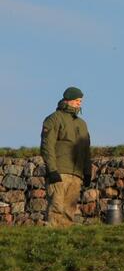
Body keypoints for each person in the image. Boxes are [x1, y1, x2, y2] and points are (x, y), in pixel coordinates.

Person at [40, 87, 91, 227]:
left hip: (76, 174)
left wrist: (87, 171)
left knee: (70, 211)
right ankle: (51, 240)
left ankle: (64, 242)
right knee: (56, 209)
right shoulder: (54, 119)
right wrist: (52, 169)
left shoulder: (82, 124)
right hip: (59, 172)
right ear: (67, 100)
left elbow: (86, 150)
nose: (79, 103)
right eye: (76, 100)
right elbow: (47, 146)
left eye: (80, 101)